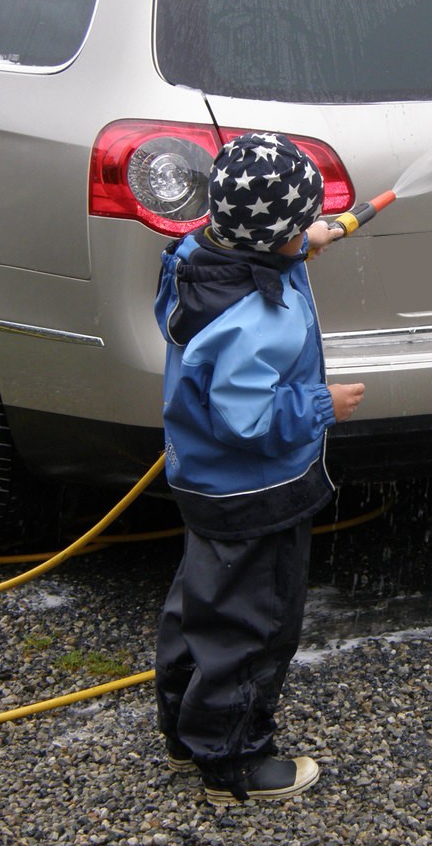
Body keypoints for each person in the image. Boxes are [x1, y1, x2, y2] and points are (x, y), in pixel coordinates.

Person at [153, 131, 365, 805]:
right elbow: (247, 421)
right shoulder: (256, 319)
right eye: (300, 224)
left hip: (205, 484)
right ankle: (236, 763)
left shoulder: (199, 257)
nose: (307, 232)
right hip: (257, 491)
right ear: (272, 239)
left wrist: (306, 242)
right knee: (257, 620)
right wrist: (318, 403)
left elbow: (252, 252)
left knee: (203, 605)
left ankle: (188, 734)